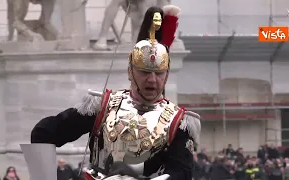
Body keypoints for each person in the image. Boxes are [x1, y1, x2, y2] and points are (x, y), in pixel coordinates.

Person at [31, 4, 200, 180]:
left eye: (158, 73)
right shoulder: (102, 107)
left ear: (166, 75)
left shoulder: (179, 123)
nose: (152, 79)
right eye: (144, 72)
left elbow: (181, 173)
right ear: (130, 71)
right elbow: (43, 133)